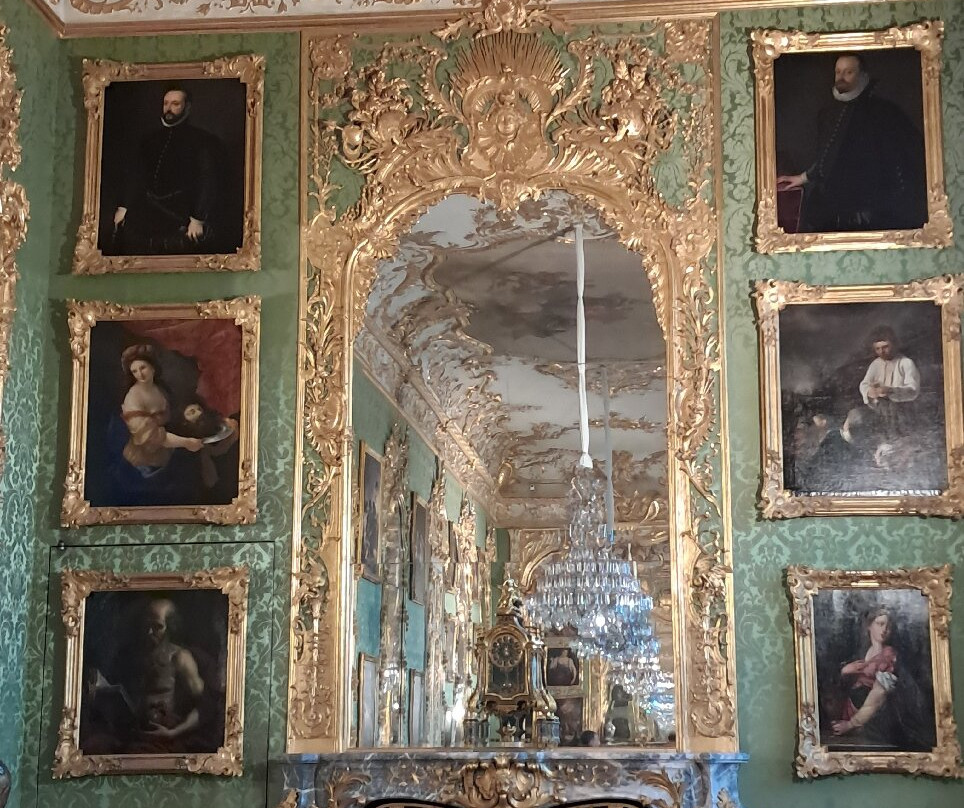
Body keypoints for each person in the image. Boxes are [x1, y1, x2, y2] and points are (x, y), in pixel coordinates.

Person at [777, 52, 926, 232]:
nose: (841, 77)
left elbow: (905, 158)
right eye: (838, 72)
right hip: (835, 207)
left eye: (848, 72)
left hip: (872, 209)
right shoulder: (828, 113)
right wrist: (803, 178)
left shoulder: (883, 111)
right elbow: (828, 158)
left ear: (863, 76)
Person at [82, 598, 212, 754]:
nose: (149, 632)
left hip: (163, 738)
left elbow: (205, 706)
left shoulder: (180, 657)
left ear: (171, 627)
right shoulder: (135, 656)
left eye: (157, 627)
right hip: (132, 732)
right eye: (147, 625)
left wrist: (173, 733)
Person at [111, 86, 221, 255]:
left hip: (180, 213)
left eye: (175, 104)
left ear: (187, 107)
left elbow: (207, 181)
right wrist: (123, 207)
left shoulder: (202, 141)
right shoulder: (149, 140)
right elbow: (136, 174)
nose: (169, 108)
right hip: (146, 209)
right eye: (166, 103)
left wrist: (198, 219)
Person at [828, 606, 935, 751]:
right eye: (880, 624)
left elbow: (878, 695)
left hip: (873, 720)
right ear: (869, 626)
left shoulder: (889, 657)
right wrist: (844, 671)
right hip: (850, 714)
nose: (884, 630)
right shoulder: (861, 653)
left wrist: (850, 724)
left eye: (888, 626)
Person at [120, 344, 203, 476]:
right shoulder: (133, 399)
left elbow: (172, 417)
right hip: (145, 463)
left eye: (143, 368)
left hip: (169, 451)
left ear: (152, 367)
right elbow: (154, 437)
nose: (140, 374)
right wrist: (186, 443)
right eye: (134, 371)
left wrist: (190, 414)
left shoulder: (160, 388)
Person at [858, 325, 920, 441]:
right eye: (877, 349)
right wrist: (869, 391)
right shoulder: (876, 364)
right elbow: (864, 384)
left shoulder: (906, 363)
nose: (881, 352)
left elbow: (913, 390)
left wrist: (890, 390)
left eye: (885, 347)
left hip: (901, 411)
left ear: (894, 344)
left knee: (901, 440)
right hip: (880, 410)